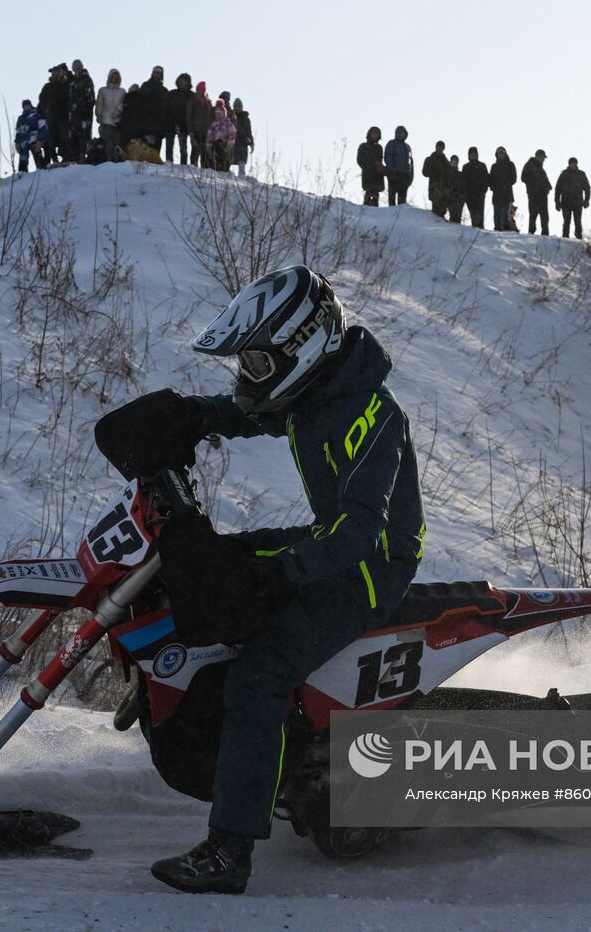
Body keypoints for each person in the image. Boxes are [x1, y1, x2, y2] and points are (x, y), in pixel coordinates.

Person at [96, 266, 425, 895]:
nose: (246, 377)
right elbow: (255, 416)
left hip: (370, 566)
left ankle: (230, 850)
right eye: (244, 364)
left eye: (256, 364)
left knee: (260, 674)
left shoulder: (370, 415)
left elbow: (359, 532)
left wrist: (280, 574)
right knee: (216, 565)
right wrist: (193, 416)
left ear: (301, 348)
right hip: (333, 543)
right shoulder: (317, 394)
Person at [37, 64, 69, 164]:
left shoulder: (64, 85)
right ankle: (54, 159)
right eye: (53, 72)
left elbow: (67, 99)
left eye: (56, 71)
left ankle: (64, 157)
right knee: (51, 137)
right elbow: (41, 101)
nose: (55, 73)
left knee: (63, 136)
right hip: (50, 115)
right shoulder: (47, 86)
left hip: (62, 115)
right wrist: (44, 112)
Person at [554, 156, 591, 239]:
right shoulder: (564, 174)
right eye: (572, 163)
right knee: (566, 221)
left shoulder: (581, 174)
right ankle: (565, 237)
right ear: (569, 164)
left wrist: (587, 200)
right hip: (566, 203)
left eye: (575, 163)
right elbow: (558, 189)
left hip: (577, 203)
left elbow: (587, 188)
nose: (574, 165)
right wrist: (557, 202)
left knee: (578, 221)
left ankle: (579, 237)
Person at [66, 60, 96, 161]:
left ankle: (83, 158)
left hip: (84, 116)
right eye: (74, 70)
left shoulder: (87, 80)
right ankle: (74, 160)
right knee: (73, 139)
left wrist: (84, 109)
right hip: (74, 117)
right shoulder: (73, 83)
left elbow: (91, 99)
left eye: (78, 69)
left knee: (84, 138)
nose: (76, 71)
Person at [96, 68, 126, 163]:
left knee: (117, 142)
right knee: (107, 142)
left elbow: (124, 103)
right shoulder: (103, 90)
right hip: (106, 120)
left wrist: (118, 111)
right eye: (113, 76)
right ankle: (107, 160)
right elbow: (99, 103)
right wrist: (98, 115)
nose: (115, 78)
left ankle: (116, 160)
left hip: (118, 121)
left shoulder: (122, 91)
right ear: (109, 77)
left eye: (117, 77)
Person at [521, 149, 552, 235]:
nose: (544, 159)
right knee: (533, 214)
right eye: (543, 157)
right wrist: (533, 185)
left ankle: (545, 233)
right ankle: (531, 232)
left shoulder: (541, 169)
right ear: (538, 156)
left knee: (544, 216)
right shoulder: (529, 165)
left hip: (542, 195)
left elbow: (546, 180)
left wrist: (548, 187)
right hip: (533, 194)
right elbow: (523, 177)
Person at [143, 66, 171, 159]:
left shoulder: (164, 91)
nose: (157, 74)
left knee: (156, 151)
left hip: (159, 125)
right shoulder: (145, 86)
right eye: (155, 72)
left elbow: (166, 109)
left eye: (159, 73)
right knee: (146, 150)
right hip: (147, 123)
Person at [13, 99, 49, 173]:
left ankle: (42, 170)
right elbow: (18, 131)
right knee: (23, 157)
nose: (26, 107)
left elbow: (43, 128)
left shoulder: (37, 115)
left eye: (27, 105)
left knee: (37, 154)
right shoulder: (21, 118)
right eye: (24, 106)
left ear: (30, 105)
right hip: (24, 142)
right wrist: (17, 142)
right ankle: (22, 174)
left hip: (35, 139)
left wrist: (40, 140)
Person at [167, 73, 194, 164]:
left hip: (184, 125)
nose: (181, 82)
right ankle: (168, 163)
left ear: (188, 82)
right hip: (171, 124)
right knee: (169, 147)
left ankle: (184, 165)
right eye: (180, 80)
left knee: (183, 148)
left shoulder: (192, 96)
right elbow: (166, 108)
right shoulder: (172, 93)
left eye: (184, 81)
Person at [488, 147, 516, 232]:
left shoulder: (510, 165)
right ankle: (497, 228)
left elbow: (513, 178)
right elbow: (491, 179)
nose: (501, 155)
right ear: (497, 155)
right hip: (497, 194)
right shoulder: (494, 166)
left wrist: (506, 185)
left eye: (502, 153)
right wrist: (493, 187)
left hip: (507, 193)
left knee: (506, 213)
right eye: (499, 154)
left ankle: (506, 228)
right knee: (497, 212)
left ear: (505, 154)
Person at [384, 126, 413, 207]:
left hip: (404, 175)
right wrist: (392, 171)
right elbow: (388, 157)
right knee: (392, 196)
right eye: (400, 133)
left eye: (403, 133)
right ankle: (391, 213)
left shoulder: (407, 147)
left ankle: (402, 215)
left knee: (402, 197)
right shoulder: (391, 144)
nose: (401, 135)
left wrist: (410, 175)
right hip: (393, 173)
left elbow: (410, 162)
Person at [187, 81, 214, 168]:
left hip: (206, 131)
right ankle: (193, 167)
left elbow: (211, 117)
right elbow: (189, 116)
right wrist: (190, 131)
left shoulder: (208, 102)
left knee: (205, 152)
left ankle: (204, 169)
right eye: (198, 89)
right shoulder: (192, 100)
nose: (199, 91)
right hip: (196, 130)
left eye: (201, 89)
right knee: (195, 150)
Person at [357, 126, 386, 206]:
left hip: (377, 174)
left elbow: (380, 160)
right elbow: (359, 159)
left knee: (375, 194)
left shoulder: (379, 148)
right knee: (368, 193)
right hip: (367, 173)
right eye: (374, 133)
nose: (375, 135)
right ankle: (366, 206)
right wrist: (366, 167)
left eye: (377, 134)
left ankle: (375, 209)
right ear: (369, 134)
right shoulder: (363, 146)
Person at [461, 147, 489, 229]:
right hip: (469, 195)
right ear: (469, 155)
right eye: (471, 154)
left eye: (474, 153)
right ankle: (474, 228)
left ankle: (481, 229)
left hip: (480, 194)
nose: (472, 155)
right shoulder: (465, 167)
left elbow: (486, 179)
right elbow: (463, 181)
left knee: (480, 212)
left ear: (477, 155)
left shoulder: (482, 166)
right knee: (473, 213)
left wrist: (484, 190)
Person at [421, 141, 450, 218]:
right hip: (434, 187)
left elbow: (450, 175)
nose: (439, 148)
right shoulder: (430, 159)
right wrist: (433, 171)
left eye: (441, 147)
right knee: (435, 209)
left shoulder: (446, 161)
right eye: (438, 146)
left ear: (443, 148)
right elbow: (425, 173)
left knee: (442, 210)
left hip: (443, 189)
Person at [208, 99, 237, 171]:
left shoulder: (228, 123)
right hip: (216, 144)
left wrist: (229, 144)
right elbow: (210, 134)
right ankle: (216, 169)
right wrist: (208, 144)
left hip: (225, 145)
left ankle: (224, 169)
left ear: (224, 113)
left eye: (220, 113)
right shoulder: (214, 123)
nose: (218, 115)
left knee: (224, 159)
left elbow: (232, 134)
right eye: (216, 113)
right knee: (215, 156)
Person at [232, 98, 254, 177]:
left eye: (239, 106)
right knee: (229, 158)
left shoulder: (245, 119)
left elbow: (249, 132)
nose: (237, 107)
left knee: (241, 160)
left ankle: (242, 176)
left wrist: (251, 143)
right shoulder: (230, 116)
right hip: (232, 141)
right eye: (235, 106)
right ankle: (227, 176)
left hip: (242, 142)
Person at [444, 155, 465, 223]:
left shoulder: (460, 174)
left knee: (457, 219)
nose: (455, 162)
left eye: (456, 161)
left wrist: (462, 197)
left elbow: (463, 188)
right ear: (450, 162)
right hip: (449, 198)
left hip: (458, 200)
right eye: (454, 161)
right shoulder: (447, 173)